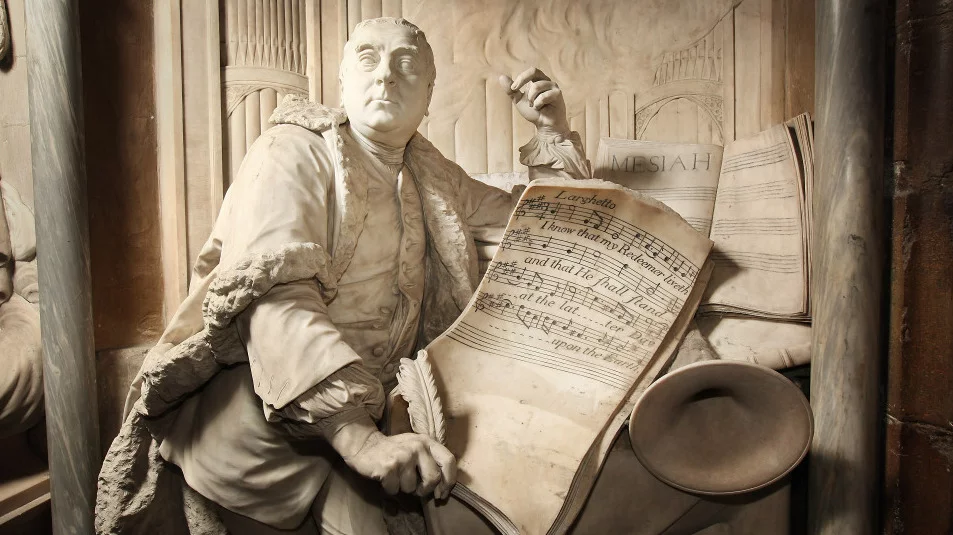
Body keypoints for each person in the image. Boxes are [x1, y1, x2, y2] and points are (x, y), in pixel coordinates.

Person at [96, 17, 590, 535]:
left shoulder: (434, 175)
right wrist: (359, 439)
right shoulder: (290, 152)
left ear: (428, 95)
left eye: (406, 64)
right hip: (262, 423)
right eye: (369, 60)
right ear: (343, 81)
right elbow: (275, 300)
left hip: (373, 423)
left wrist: (551, 133)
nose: (386, 77)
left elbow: (540, 225)